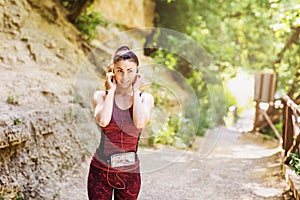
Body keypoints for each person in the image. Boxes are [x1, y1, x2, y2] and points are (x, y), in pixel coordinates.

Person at [87, 46, 154, 200]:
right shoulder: (101, 96)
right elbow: (103, 121)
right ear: (112, 71)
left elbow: (139, 122)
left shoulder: (145, 98)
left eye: (130, 70)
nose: (125, 77)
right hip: (100, 170)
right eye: (120, 71)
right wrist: (110, 91)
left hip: (130, 173)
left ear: (137, 72)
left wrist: (135, 91)